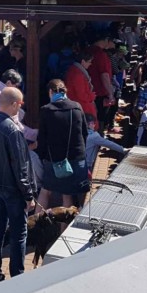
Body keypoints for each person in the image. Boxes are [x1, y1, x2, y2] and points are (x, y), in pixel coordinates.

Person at [0, 87, 35, 281]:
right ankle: (17, 274)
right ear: (14, 104)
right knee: (19, 233)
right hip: (13, 190)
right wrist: (28, 195)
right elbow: (20, 166)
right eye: (20, 104)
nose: (20, 108)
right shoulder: (13, 130)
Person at [36, 80, 90, 210]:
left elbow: (41, 138)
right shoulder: (77, 107)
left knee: (45, 191)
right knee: (68, 195)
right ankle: (64, 229)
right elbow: (84, 133)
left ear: (50, 92)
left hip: (53, 159)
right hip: (76, 157)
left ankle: (36, 226)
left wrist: (42, 157)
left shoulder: (46, 110)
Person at [86, 34, 115, 132]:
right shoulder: (101, 55)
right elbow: (104, 75)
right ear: (106, 39)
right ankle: (98, 141)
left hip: (88, 92)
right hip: (99, 92)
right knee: (100, 119)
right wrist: (110, 94)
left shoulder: (87, 51)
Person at [63, 51, 97, 119]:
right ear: (83, 61)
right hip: (81, 107)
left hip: (78, 106)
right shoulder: (77, 74)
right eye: (89, 62)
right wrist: (92, 96)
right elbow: (82, 95)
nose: (90, 64)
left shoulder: (75, 70)